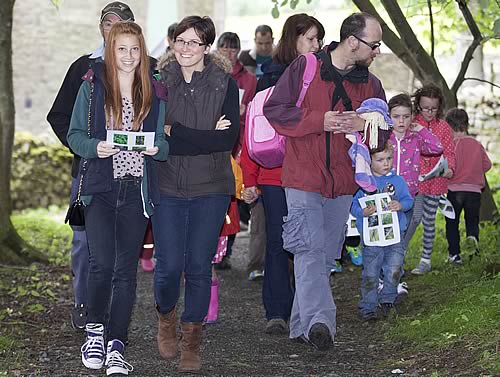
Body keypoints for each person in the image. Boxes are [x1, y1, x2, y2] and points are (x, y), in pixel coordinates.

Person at [263, 12, 386, 350]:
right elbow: (276, 109)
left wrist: (364, 126)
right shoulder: (306, 68)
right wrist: (322, 120)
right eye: (373, 45)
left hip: (344, 182)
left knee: (325, 256)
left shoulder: (372, 84)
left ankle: (302, 327)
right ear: (352, 41)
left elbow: (383, 133)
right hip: (302, 175)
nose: (377, 51)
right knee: (308, 250)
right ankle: (322, 321)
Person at [67, 21, 169, 375]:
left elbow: (165, 145)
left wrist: (157, 148)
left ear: (143, 53)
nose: (128, 56)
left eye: (135, 49)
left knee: (126, 271)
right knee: (102, 264)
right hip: (101, 188)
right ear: (110, 50)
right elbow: (74, 136)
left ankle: (116, 344)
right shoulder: (93, 88)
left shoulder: (154, 91)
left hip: (136, 189)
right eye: (121, 49)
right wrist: (96, 147)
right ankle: (94, 331)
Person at [154, 16, 239, 373]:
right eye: (181, 41)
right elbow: (156, 137)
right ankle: (166, 317)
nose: (186, 48)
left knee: (199, 267)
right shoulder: (158, 82)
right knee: (169, 266)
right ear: (173, 43)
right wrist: (200, 135)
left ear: (207, 47)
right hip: (166, 185)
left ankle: (192, 337)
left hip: (211, 188)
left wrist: (178, 131)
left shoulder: (225, 83)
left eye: (194, 43)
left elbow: (226, 141)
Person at [46, 1, 135, 330]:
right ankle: (83, 304)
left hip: (130, 175)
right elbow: (58, 117)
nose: (110, 29)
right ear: (101, 28)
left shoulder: (144, 68)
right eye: (106, 23)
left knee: (122, 243)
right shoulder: (82, 68)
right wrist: (83, 148)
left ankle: (113, 308)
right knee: (84, 242)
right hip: (86, 174)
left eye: (118, 23)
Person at [240, 13, 325, 335]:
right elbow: (252, 134)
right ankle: (276, 310)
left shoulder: (324, 77)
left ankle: (306, 310)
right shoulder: (271, 77)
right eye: (311, 39)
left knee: (309, 244)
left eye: (318, 39)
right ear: (294, 40)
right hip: (275, 175)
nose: (316, 46)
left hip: (312, 174)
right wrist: (250, 180)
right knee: (278, 241)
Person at [351, 142, 413, 320]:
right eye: (380, 160)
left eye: (389, 158)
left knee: (394, 269)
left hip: (395, 237)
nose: (386, 163)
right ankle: (368, 307)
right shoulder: (362, 183)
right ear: (369, 161)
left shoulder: (398, 181)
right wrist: (362, 212)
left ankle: (388, 300)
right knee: (370, 272)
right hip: (372, 239)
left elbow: (409, 201)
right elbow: (353, 205)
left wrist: (400, 205)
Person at [387, 93, 443, 294]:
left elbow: (437, 148)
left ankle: (395, 277)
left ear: (412, 117)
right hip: (387, 196)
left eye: (406, 116)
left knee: (403, 236)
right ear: (389, 116)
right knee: (388, 238)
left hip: (411, 195)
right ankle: (384, 279)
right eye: (396, 116)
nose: (401, 121)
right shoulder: (385, 138)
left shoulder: (416, 138)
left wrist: (421, 130)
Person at [408, 84, 456, 275]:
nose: (429, 112)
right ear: (418, 105)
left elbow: (449, 150)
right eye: (425, 108)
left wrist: (450, 168)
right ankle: (398, 253)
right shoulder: (411, 123)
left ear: (439, 107)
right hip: (416, 180)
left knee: (429, 220)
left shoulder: (443, 127)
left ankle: (425, 259)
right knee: (414, 217)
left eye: (433, 108)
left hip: (437, 181)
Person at [444, 108, 491, 263]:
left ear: (449, 126)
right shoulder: (477, 145)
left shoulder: (450, 146)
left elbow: (446, 167)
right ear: (466, 124)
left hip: (454, 190)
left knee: (452, 223)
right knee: (472, 220)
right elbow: (488, 165)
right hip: (474, 192)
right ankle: (472, 242)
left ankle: (454, 255)